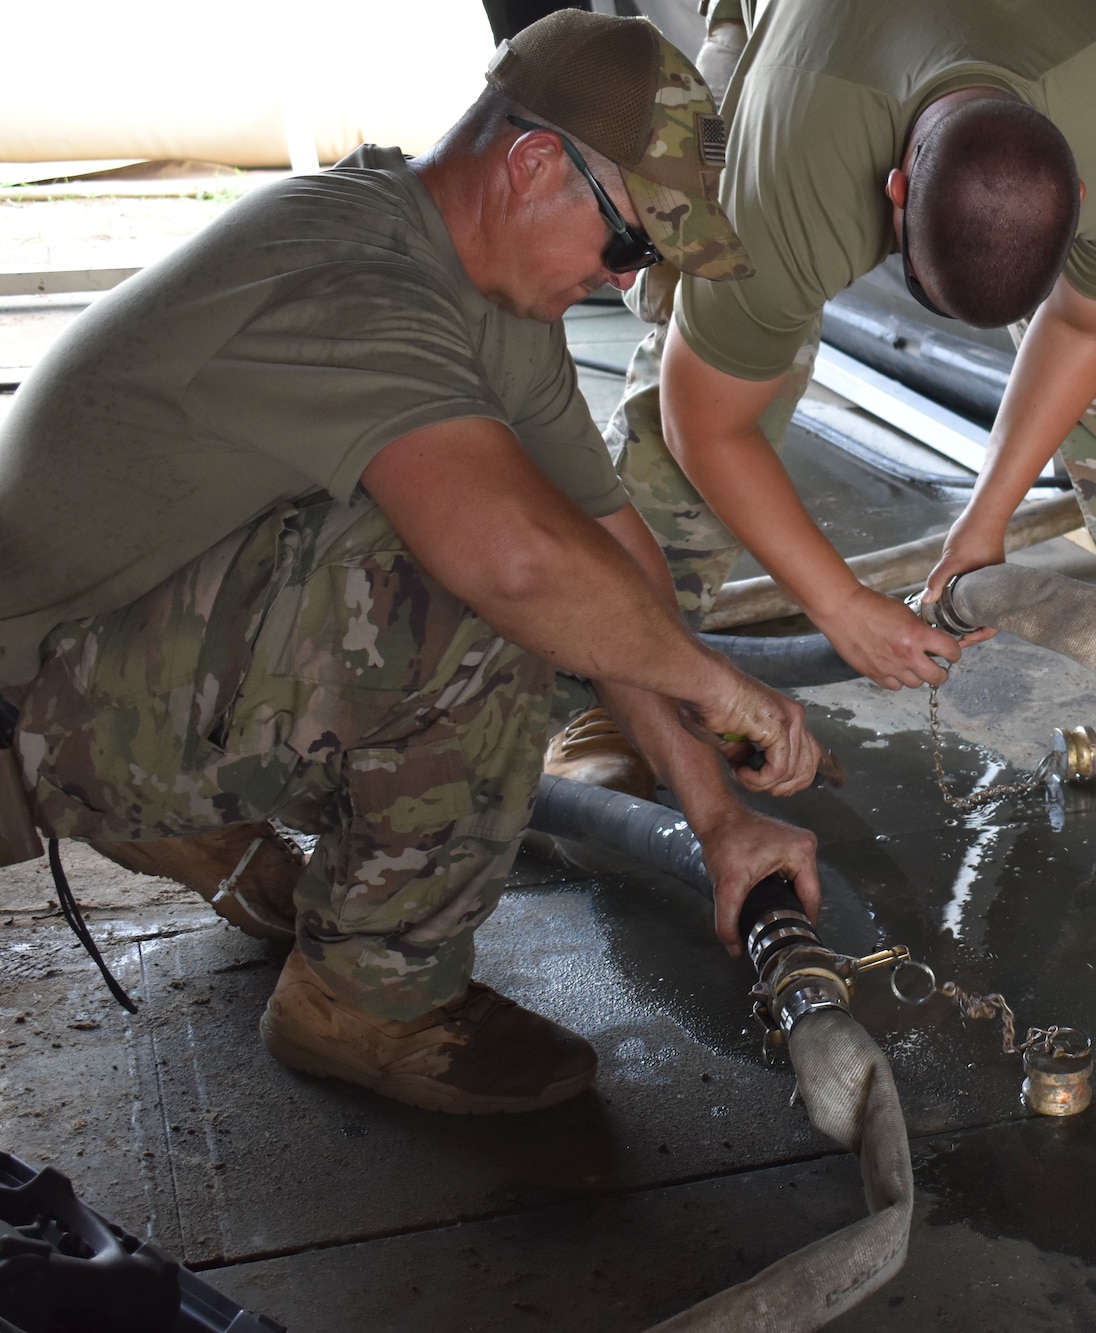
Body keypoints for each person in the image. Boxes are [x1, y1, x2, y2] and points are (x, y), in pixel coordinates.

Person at [0, 11, 826, 1114]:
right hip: (21, 706)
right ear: (535, 163)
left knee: (559, 586)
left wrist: (719, 818)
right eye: (628, 243)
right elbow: (519, 568)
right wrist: (717, 685)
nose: (622, 280)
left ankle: (184, 808)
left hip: (117, 638)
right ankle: (367, 1004)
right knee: (461, 596)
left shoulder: (481, 296)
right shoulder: (352, 280)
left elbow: (616, 567)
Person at [591, 0, 1096, 750]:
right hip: (811, 48)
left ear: (1079, 198)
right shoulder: (789, 172)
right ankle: (619, 676)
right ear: (891, 195)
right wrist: (840, 606)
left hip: (1042, 55)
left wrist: (984, 521)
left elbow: (1082, 323)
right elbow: (703, 420)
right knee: (713, 361)